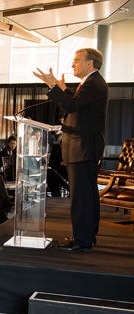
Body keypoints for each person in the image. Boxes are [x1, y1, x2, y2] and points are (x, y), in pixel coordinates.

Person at [33, 48, 108, 252]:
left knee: (81, 197)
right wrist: (64, 88)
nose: (72, 64)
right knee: (87, 195)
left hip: (82, 148)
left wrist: (52, 86)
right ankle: (87, 236)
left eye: (77, 61)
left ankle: (82, 240)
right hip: (83, 147)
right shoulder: (92, 83)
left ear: (90, 63)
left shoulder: (93, 83)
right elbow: (78, 106)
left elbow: (71, 106)